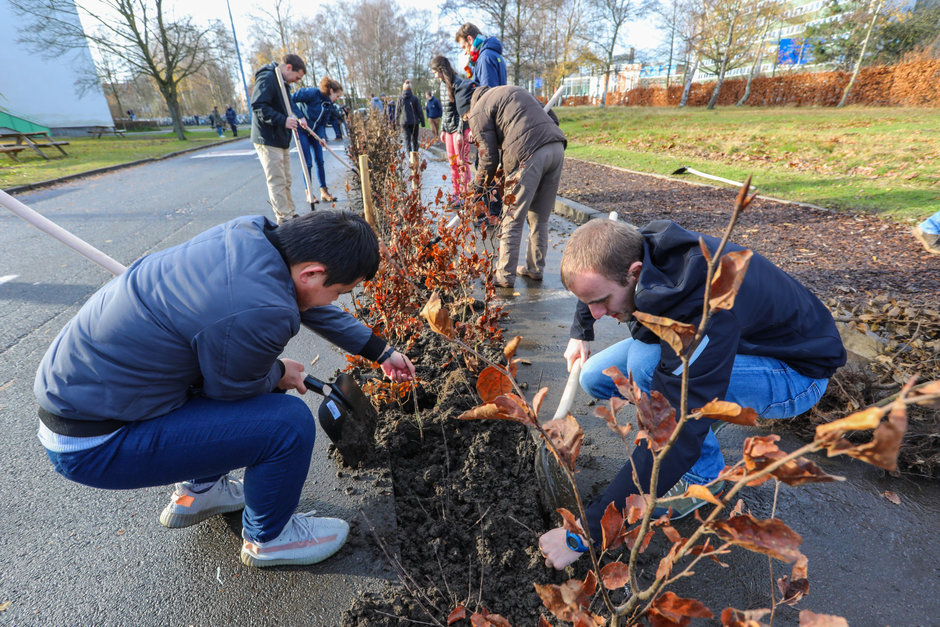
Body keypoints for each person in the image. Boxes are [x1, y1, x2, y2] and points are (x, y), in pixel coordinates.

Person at [34, 211, 416, 569]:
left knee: (240, 377)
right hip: (97, 442)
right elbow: (235, 391)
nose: (336, 300)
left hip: (84, 401)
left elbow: (301, 297)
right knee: (286, 423)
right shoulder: (261, 308)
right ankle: (270, 537)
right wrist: (280, 372)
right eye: (340, 292)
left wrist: (377, 350)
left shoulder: (251, 237)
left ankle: (203, 488)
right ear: (313, 273)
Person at [538, 218, 847, 570]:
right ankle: (705, 413)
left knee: (647, 366)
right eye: (589, 303)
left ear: (635, 274)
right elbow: (596, 278)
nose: (597, 313)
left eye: (602, 301)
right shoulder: (640, 247)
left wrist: (585, 532)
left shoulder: (699, 305)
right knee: (596, 376)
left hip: (795, 372)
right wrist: (582, 331)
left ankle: (705, 474)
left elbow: (675, 429)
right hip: (741, 343)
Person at [457, 84, 566, 288]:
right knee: (538, 217)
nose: (468, 124)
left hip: (529, 154)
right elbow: (552, 118)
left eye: (465, 120)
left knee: (512, 217)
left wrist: (476, 188)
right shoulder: (513, 91)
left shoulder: (478, 110)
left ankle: (504, 275)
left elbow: (488, 159)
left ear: (467, 110)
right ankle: (535, 269)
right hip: (556, 146)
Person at [251, 53, 307, 224]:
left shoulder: (283, 83)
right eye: (296, 77)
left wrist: (299, 118)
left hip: (281, 139)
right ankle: (284, 219)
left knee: (286, 179)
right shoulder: (268, 78)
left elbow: (289, 105)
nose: (296, 81)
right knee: (277, 180)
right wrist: (283, 121)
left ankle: (290, 213)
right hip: (268, 139)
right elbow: (258, 106)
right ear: (288, 67)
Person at [292, 76, 344, 203]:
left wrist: (322, 137)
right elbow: (290, 99)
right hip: (302, 130)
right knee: (307, 163)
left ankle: (324, 191)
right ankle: (309, 193)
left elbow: (322, 123)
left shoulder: (328, 105)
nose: (337, 99)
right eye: (337, 96)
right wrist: (300, 116)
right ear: (331, 91)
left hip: (314, 133)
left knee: (320, 161)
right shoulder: (312, 93)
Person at [430, 55, 472, 204]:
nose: (435, 76)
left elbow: (462, 111)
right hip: (448, 130)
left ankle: (465, 195)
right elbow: (445, 110)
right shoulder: (442, 85)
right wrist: (442, 128)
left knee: (462, 163)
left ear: (441, 70)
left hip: (458, 130)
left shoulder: (458, 83)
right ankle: (456, 193)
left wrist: (460, 132)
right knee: (452, 163)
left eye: (435, 72)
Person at [455, 22, 507, 88]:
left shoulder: (484, 58)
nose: (465, 52)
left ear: (470, 39)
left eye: (464, 47)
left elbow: (488, 93)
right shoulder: (494, 54)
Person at [396, 80, 425, 154]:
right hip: (414, 122)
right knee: (415, 139)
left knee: (407, 140)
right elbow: (419, 111)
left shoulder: (400, 99)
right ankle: (415, 156)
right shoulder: (415, 98)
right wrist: (422, 122)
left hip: (404, 122)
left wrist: (396, 122)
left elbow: (397, 112)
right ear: (411, 89)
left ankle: (410, 157)